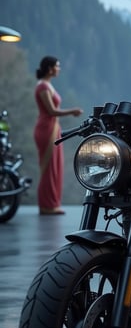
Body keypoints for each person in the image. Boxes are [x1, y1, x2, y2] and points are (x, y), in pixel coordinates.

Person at [34, 55, 83, 215]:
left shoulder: (47, 85)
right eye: (57, 66)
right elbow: (51, 111)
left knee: (54, 167)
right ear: (50, 68)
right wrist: (72, 111)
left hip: (53, 128)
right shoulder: (43, 87)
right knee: (48, 167)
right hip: (46, 129)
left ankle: (52, 203)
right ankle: (46, 205)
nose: (59, 69)